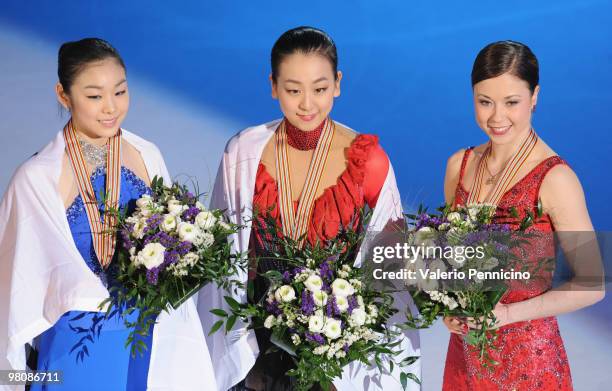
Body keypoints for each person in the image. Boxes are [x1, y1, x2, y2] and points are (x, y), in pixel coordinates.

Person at [198, 27, 420, 391]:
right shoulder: (243, 151)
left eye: (319, 88)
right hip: (254, 351)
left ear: (338, 83)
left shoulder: (369, 161)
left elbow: (390, 265)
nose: (306, 104)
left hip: (334, 356)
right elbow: (223, 254)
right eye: (292, 89)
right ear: (272, 85)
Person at [0, 38, 216, 390]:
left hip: (144, 330)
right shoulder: (37, 177)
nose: (110, 108)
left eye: (120, 92)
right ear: (63, 95)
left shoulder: (147, 155)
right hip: (75, 339)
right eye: (94, 96)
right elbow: (16, 278)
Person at [442, 40, 605, 390]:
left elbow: (593, 285)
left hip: (528, 364)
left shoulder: (555, 178)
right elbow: (448, 262)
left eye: (511, 102)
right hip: (465, 356)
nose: (497, 117)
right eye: (485, 102)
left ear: (534, 97)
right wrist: (448, 307)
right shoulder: (461, 164)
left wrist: (507, 315)